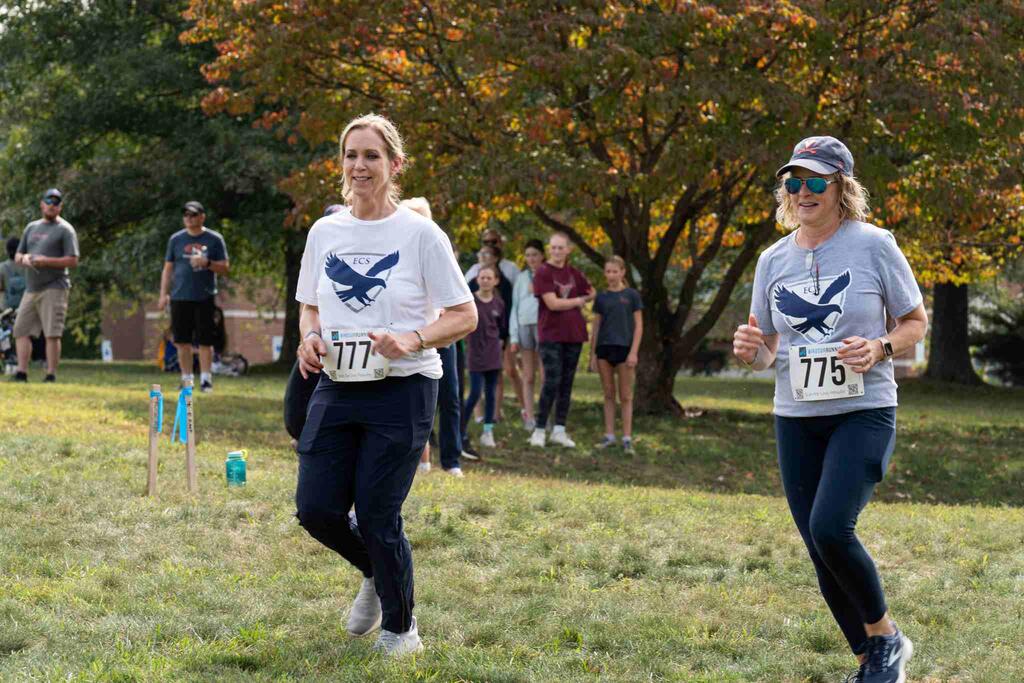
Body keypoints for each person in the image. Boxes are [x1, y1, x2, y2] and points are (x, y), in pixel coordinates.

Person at [733, 136, 927, 683]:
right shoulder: (772, 259)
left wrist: (880, 347)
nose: (803, 191)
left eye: (816, 181)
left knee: (831, 526)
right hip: (796, 417)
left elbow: (915, 322)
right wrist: (750, 352)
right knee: (820, 548)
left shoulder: (874, 245)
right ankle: (870, 662)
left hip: (864, 409)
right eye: (793, 182)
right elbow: (767, 349)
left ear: (842, 188)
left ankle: (887, 638)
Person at [294, 114, 476, 657]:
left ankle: (401, 630)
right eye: (352, 155)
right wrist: (309, 337)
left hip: (405, 386)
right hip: (337, 382)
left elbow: (463, 314)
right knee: (316, 509)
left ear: (395, 165)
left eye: (372, 155)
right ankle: (376, 570)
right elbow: (310, 304)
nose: (360, 165)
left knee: (377, 512)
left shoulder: (421, 234)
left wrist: (412, 338)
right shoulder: (324, 232)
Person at [396, 197, 466, 478]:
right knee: (412, 398)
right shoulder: (397, 255)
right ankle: (417, 459)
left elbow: (457, 302)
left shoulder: (437, 249)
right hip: (408, 337)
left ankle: (451, 461)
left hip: (441, 335)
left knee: (450, 397)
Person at [284, 203, 347, 446]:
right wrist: (307, 340)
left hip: (351, 344)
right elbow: (307, 306)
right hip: (320, 342)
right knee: (296, 410)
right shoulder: (318, 252)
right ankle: (304, 437)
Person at [529, 231, 594, 449]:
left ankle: (559, 429)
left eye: (560, 248)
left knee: (567, 383)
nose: (556, 251)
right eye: (553, 247)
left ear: (568, 250)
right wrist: (578, 301)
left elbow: (591, 291)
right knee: (552, 381)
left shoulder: (574, 273)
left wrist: (583, 298)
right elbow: (553, 303)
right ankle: (539, 429)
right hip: (551, 335)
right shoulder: (543, 272)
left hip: (574, 335)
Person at [158, 201, 230, 393]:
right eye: (186, 215)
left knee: (205, 340)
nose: (189, 218)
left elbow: (225, 268)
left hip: (204, 296)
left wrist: (207, 263)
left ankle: (206, 380)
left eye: (193, 215)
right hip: (179, 296)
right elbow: (167, 269)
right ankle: (186, 379)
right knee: (182, 340)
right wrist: (163, 294)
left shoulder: (214, 239)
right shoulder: (176, 239)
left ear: (202, 217)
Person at [11, 188, 80, 383]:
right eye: (48, 201)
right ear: (42, 204)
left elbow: (73, 260)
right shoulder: (31, 227)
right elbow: (18, 255)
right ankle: (21, 372)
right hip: (31, 288)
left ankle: (50, 374)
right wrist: (24, 258)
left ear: (60, 206)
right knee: (20, 329)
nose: (51, 205)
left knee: (52, 333)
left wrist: (45, 261)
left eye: (56, 202)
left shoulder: (65, 230)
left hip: (55, 286)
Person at [589, 256, 643, 454]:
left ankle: (627, 438)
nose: (611, 275)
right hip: (604, 349)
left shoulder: (632, 296)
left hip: (625, 350)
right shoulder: (601, 298)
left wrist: (634, 352)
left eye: (615, 271)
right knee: (608, 394)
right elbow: (596, 327)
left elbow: (639, 326)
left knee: (626, 396)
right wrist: (592, 355)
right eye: (608, 271)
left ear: (622, 272)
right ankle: (609, 435)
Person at [461, 264, 506, 449]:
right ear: (477, 279)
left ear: (496, 281)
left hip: (493, 354)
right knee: (474, 393)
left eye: (489, 278)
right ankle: (460, 429)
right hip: (475, 353)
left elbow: (502, 329)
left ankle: (488, 431)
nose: (486, 281)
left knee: (491, 393)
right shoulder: (470, 301)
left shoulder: (499, 303)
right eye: (482, 277)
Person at [508, 239, 544, 431]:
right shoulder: (522, 278)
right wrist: (514, 337)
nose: (531, 258)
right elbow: (515, 306)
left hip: (543, 327)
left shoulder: (548, 274)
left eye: (535, 255)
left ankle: (546, 417)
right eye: (528, 255)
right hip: (524, 326)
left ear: (542, 256)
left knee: (545, 376)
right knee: (528, 376)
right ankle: (529, 417)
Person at [0, 236, 27, 311]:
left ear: (7, 251)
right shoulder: (28, 266)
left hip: (7, 308)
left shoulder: (2, 267)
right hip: (26, 307)